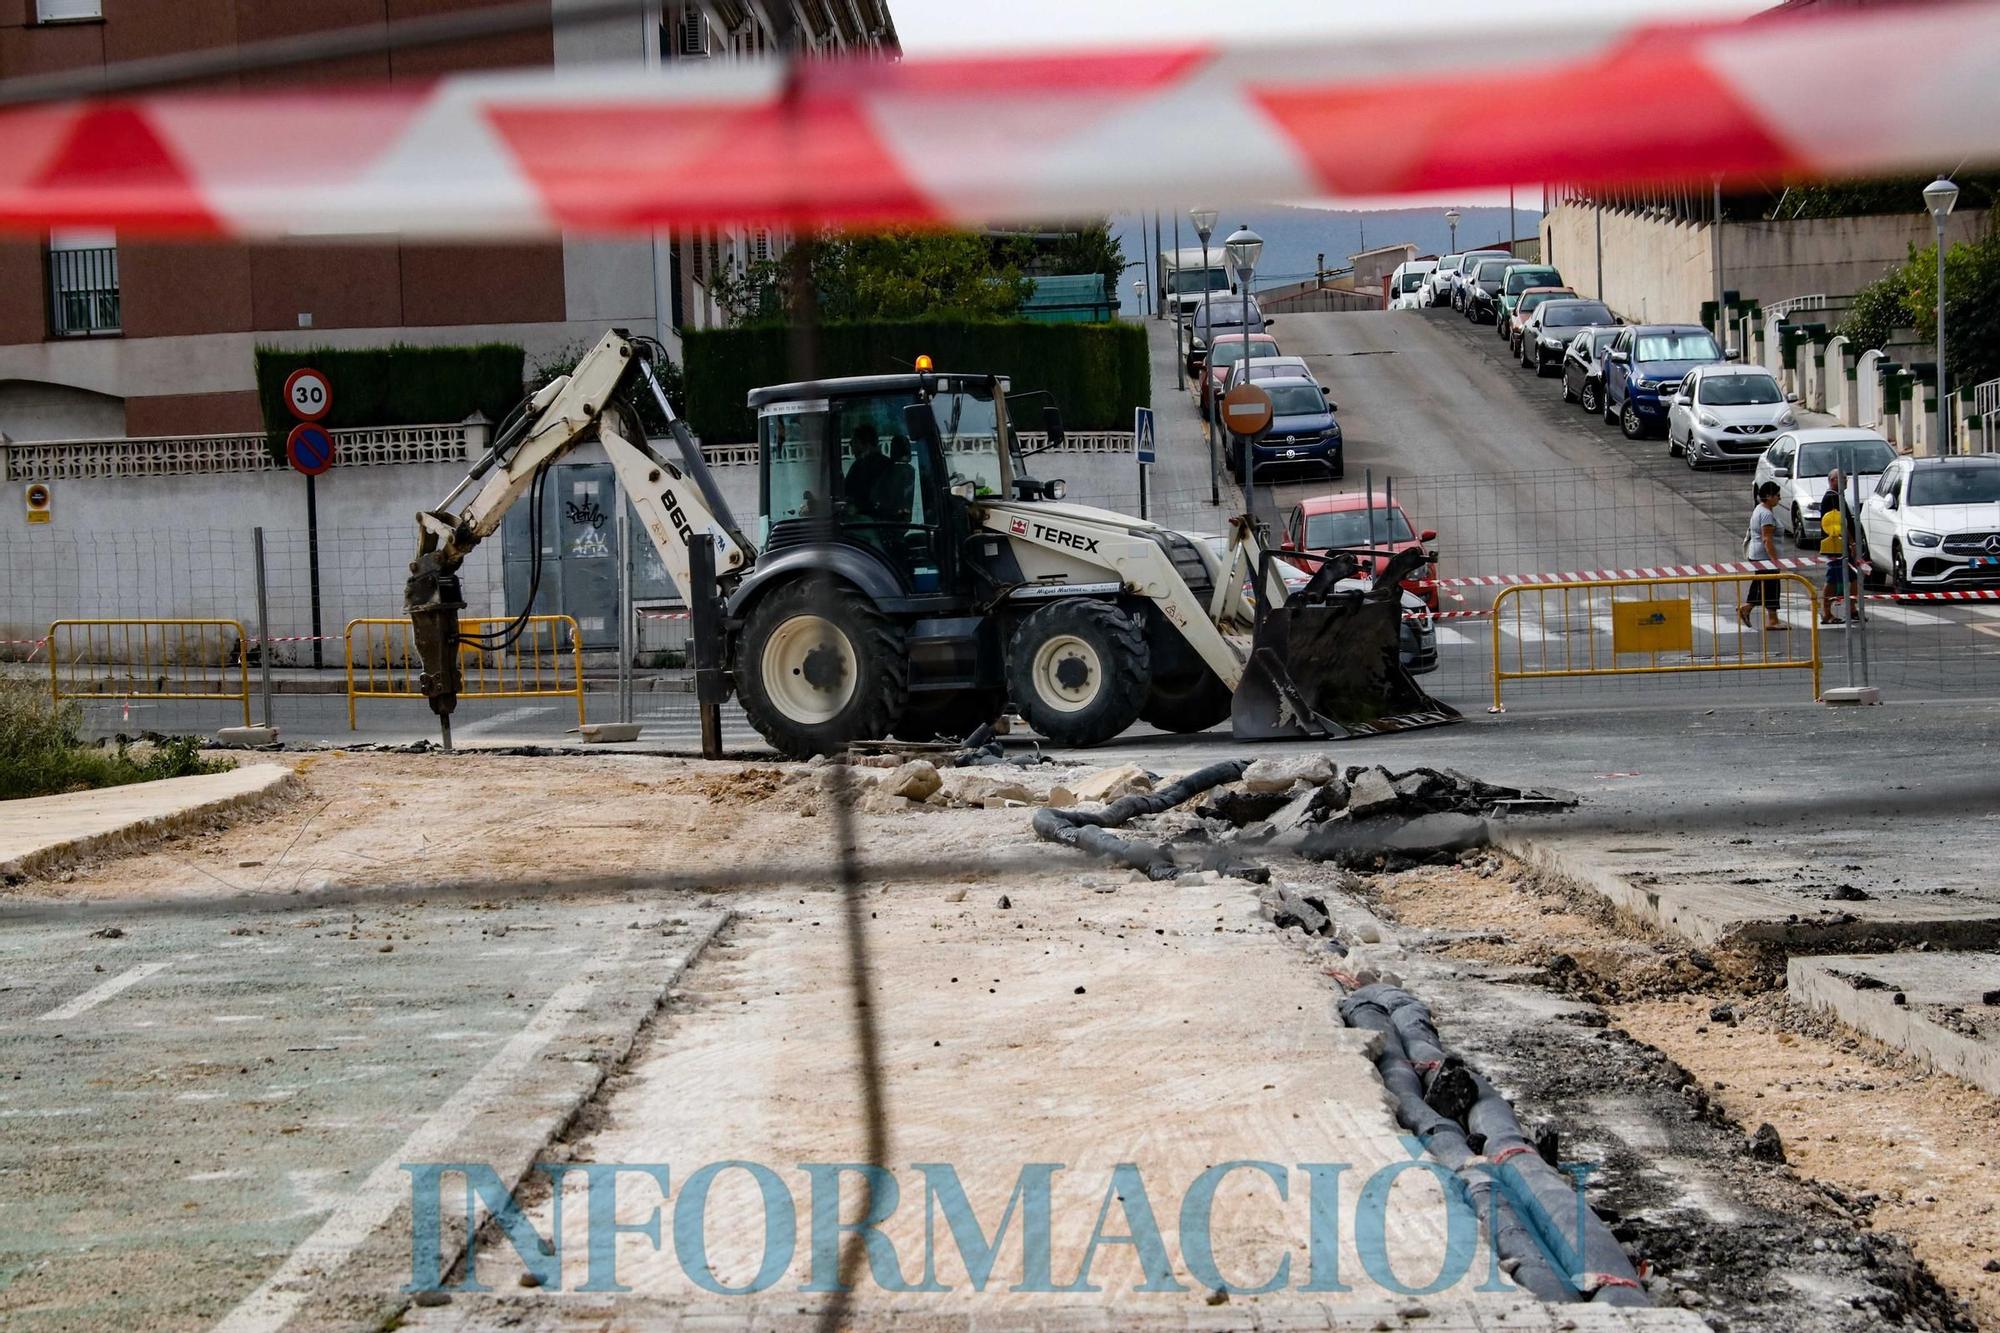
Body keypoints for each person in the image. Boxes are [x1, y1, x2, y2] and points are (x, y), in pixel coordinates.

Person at [1739, 480, 1787, 631]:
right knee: (1771, 586)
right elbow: (1767, 539)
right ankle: (1769, 619)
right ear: (1768, 496)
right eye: (1777, 495)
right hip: (1765, 557)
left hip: (1759, 555)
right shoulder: (1766, 514)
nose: (1780, 498)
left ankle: (1750, 609)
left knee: (1763, 585)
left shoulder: (1760, 509)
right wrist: (1774, 561)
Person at [1818, 467, 1855, 626]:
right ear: (1832, 480)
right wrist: (1851, 541)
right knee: (1832, 579)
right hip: (1835, 545)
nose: (1846, 482)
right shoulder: (1831, 498)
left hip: (1842, 544)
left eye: (1846, 479)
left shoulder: (1838, 496)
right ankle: (1826, 612)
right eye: (1843, 479)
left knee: (1853, 576)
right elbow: (1840, 522)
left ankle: (1852, 609)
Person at [843, 423, 893, 520]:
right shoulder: (885, 463)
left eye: (854, 441)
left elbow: (876, 498)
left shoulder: (869, 466)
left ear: (866, 444)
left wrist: (856, 507)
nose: (850, 445)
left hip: (868, 520)